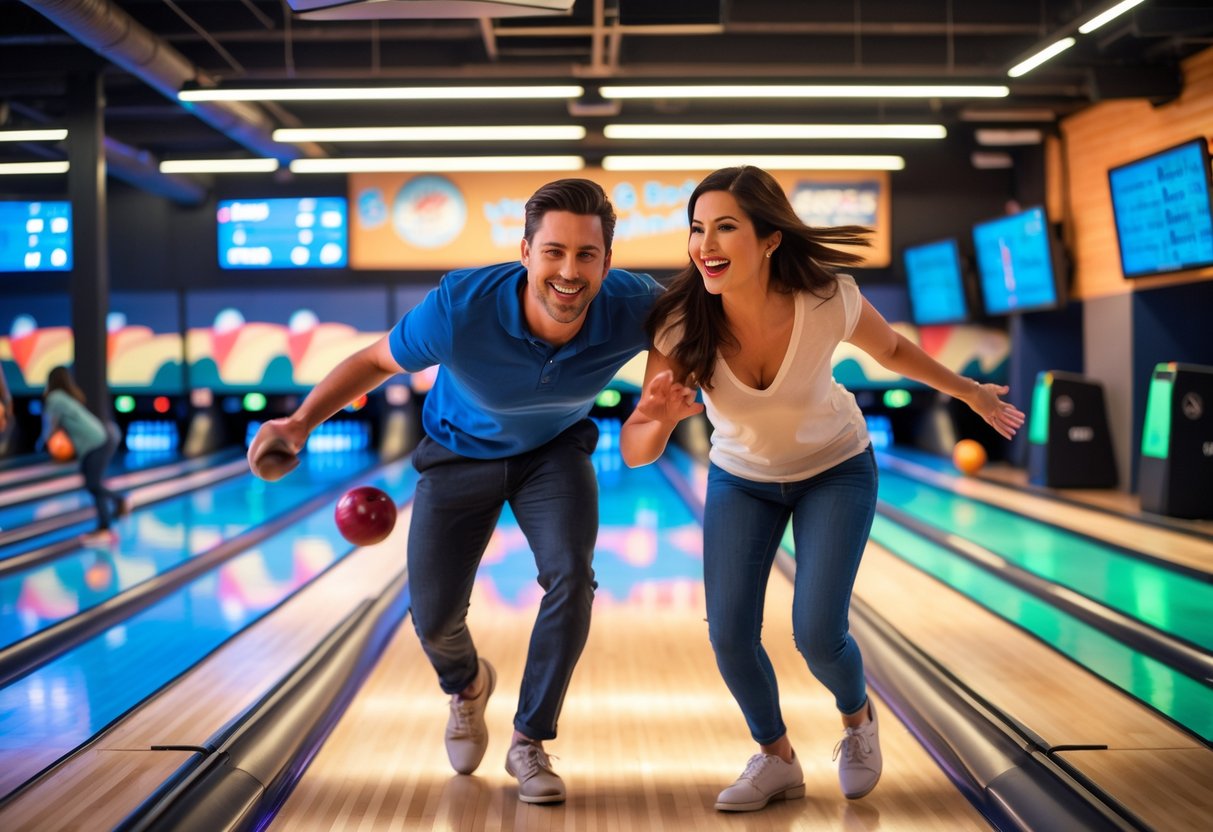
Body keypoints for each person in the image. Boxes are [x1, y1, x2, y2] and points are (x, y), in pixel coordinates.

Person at [620, 166, 1024, 812]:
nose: (705, 244)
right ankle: (776, 759)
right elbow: (636, 454)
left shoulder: (824, 296)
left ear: (770, 239)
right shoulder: (679, 320)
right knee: (727, 634)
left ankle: (856, 720)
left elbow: (892, 350)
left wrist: (968, 390)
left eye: (725, 227)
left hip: (834, 467)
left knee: (816, 631)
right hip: (741, 479)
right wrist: (655, 419)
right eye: (697, 229)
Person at [247, 179, 663, 804]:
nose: (569, 271)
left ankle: (529, 741)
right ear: (525, 252)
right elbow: (372, 363)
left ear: (608, 259)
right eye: (553, 252)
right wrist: (299, 422)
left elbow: (710, 313)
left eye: (586, 255)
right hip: (457, 453)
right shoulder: (459, 307)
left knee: (572, 577)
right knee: (434, 618)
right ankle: (467, 686)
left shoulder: (638, 303)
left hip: (554, 451)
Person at [41, 365, 129, 546]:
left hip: (95, 442)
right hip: (101, 438)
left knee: (93, 484)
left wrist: (44, 443)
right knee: (93, 484)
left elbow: (50, 425)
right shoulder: (66, 397)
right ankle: (106, 523)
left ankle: (116, 507)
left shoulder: (54, 398)